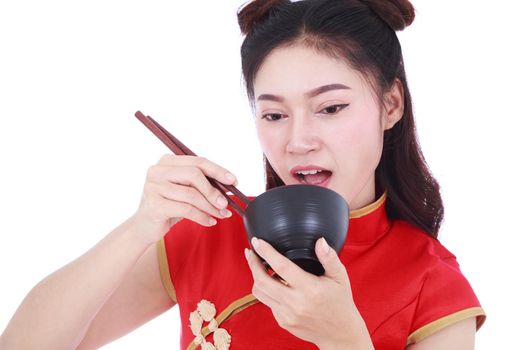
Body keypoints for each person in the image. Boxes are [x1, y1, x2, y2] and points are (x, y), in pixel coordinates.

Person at [0, 0, 486, 349]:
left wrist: (344, 340)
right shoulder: (210, 233)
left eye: (331, 107)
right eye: (274, 115)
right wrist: (136, 230)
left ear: (391, 104)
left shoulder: (432, 281)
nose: (298, 140)